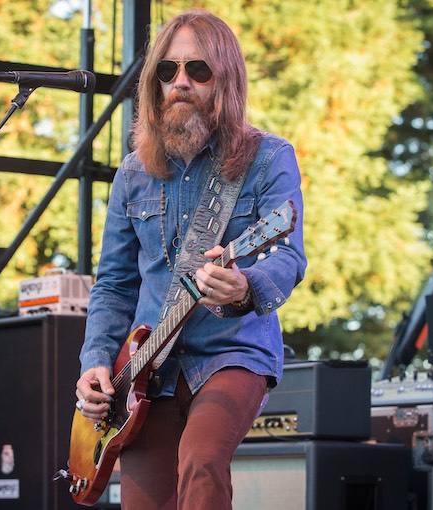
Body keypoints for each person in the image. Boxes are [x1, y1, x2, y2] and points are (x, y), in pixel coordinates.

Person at [74, 9, 306, 509]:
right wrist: (95, 362)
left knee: (201, 458)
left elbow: (288, 258)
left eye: (198, 70)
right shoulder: (133, 174)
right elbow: (114, 285)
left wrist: (245, 287)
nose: (180, 82)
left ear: (225, 80)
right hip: (145, 369)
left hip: (232, 351)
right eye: (167, 71)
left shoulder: (268, 158)